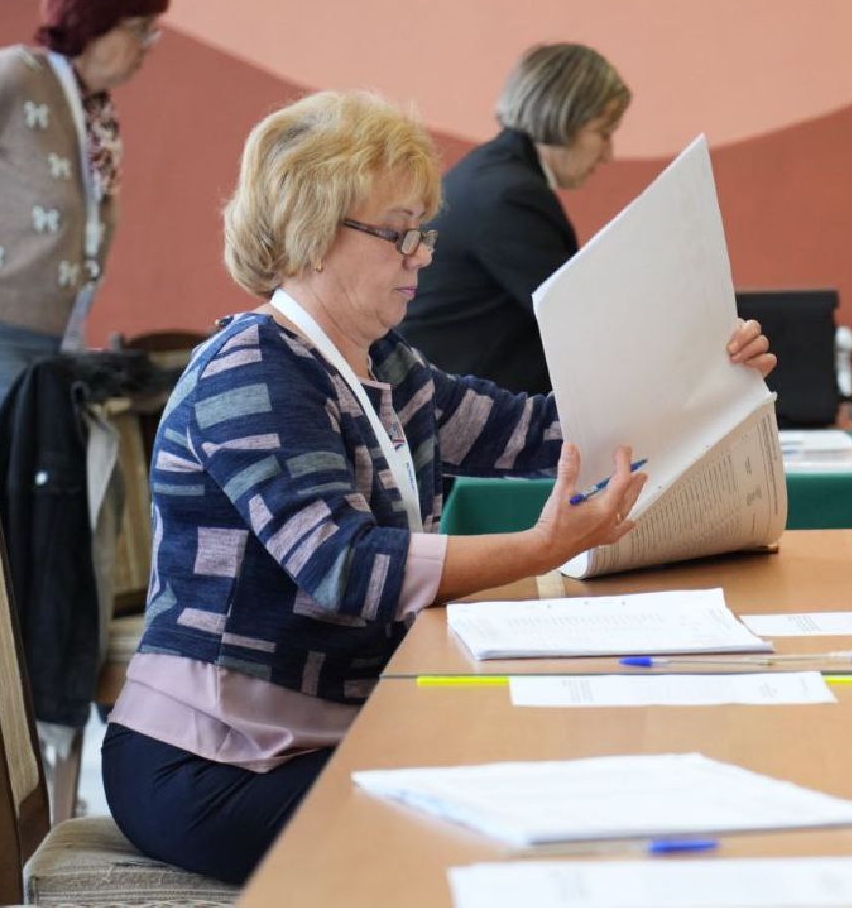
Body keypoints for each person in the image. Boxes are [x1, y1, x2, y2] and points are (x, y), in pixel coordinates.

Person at [100, 91, 775, 884]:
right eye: (397, 233)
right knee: (507, 835)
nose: (421, 254)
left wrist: (700, 375)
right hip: (215, 764)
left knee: (553, 794)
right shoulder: (252, 373)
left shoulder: (378, 365)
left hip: (321, 737)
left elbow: (532, 430)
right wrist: (540, 549)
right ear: (312, 233)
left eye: (421, 230)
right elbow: (345, 569)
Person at [0, 0, 169, 443]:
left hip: (57, 341)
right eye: (140, 28)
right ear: (95, 16)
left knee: (34, 503)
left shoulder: (96, 113)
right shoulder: (14, 76)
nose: (149, 45)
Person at [398, 42, 628, 394]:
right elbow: (580, 317)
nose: (608, 154)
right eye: (603, 132)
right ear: (564, 117)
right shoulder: (510, 195)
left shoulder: (492, 173)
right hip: (461, 412)